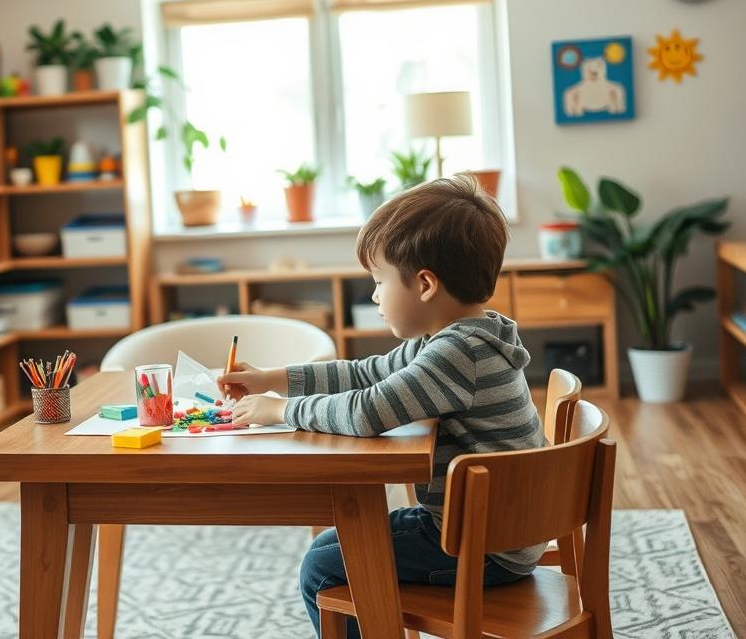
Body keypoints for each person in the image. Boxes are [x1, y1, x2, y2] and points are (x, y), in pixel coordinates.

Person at [219, 174, 543, 637]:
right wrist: (270, 380)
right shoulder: (460, 337)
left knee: (323, 565)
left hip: (481, 545)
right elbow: (365, 373)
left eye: (379, 281)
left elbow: (365, 412)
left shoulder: (457, 354)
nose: (374, 296)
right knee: (340, 542)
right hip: (495, 530)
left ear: (426, 284)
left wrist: (277, 410)